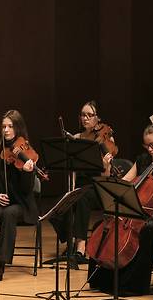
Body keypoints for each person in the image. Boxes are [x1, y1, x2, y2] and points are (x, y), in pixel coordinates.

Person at [89, 124, 153, 295]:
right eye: (146, 145)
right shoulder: (142, 160)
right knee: (102, 225)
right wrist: (106, 169)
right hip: (138, 214)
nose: (150, 149)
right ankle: (102, 279)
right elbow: (124, 185)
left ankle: (134, 285)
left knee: (146, 231)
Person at [50, 100, 116, 264]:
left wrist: (106, 165)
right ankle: (70, 241)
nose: (85, 118)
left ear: (98, 118)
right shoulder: (77, 138)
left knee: (81, 199)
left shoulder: (106, 138)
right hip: (81, 184)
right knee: (59, 205)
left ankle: (81, 246)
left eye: (90, 115)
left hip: (99, 186)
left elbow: (106, 176)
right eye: (83, 115)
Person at [0, 110, 38, 282]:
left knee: (9, 214)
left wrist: (27, 173)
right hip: (0, 200)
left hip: (21, 204)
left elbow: (27, 190)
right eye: (3, 126)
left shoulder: (26, 152)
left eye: (10, 126)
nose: (6, 130)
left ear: (18, 128)